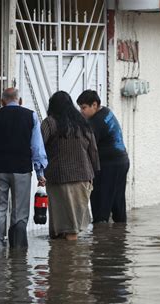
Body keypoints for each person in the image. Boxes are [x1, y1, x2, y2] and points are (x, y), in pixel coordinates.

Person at [0, 88, 47, 249]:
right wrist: (40, 172)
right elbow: (37, 147)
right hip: (22, 169)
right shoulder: (30, 116)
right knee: (20, 211)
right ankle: (18, 250)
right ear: (20, 101)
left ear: (2, 102)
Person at [41, 91, 100, 241]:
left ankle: (62, 260)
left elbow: (39, 147)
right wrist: (93, 174)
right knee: (73, 228)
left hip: (58, 178)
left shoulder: (49, 123)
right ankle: (74, 261)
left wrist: (39, 171)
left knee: (60, 226)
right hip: (83, 178)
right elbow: (93, 151)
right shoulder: (82, 123)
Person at [76, 90, 129, 223]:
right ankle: (120, 235)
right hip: (122, 161)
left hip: (109, 165)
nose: (81, 111)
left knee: (100, 205)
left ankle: (100, 238)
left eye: (84, 108)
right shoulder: (106, 112)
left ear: (94, 105)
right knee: (118, 201)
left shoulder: (96, 122)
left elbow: (86, 146)